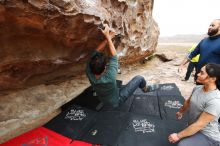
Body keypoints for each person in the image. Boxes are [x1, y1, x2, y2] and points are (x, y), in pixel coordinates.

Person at [86, 24, 158, 108]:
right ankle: (145, 89)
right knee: (139, 78)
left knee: (116, 75)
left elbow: (96, 52)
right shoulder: (109, 76)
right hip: (117, 100)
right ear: (105, 68)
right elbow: (114, 57)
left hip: (103, 98)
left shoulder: (88, 71)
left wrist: (108, 38)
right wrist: (108, 36)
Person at [168, 63, 220, 146]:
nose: (198, 74)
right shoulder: (197, 88)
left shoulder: (215, 100)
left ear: (213, 79)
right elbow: (188, 101)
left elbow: (199, 124)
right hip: (195, 127)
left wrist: (178, 136)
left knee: (182, 144)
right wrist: (181, 112)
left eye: (202, 73)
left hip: (208, 135)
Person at [178, 19, 220, 89]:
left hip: (213, 82)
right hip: (200, 78)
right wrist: (182, 64)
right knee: (197, 97)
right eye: (210, 25)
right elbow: (192, 54)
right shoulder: (204, 41)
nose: (210, 27)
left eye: (213, 25)